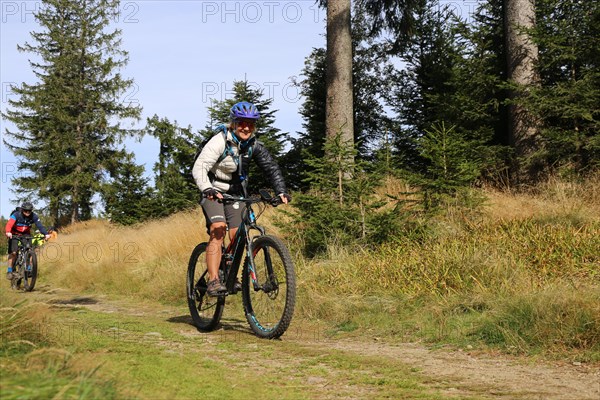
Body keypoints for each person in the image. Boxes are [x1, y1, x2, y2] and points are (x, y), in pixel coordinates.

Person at [192, 101, 291, 296]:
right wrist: (207, 188)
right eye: (242, 123)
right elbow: (200, 166)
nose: (246, 127)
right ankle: (213, 281)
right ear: (234, 123)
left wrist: (281, 191)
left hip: (236, 194)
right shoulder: (220, 141)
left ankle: (230, 274)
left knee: (237, 235)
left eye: (250, 124)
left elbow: (271, 168)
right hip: (213, 192)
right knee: (218, 230)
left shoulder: (253, 145)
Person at [4, 201, 51, 279]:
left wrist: (45, 234)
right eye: (25, 210)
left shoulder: (34, 216)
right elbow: (9, 224)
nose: (27, 212)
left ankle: (29, 269)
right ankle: (9, 270)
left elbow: (40, 226)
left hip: (25, 234)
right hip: (14, 233)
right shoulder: (16, 215)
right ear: (22, 210)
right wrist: (8, 232)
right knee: (14, 252)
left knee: (29, 250)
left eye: (29, 211)